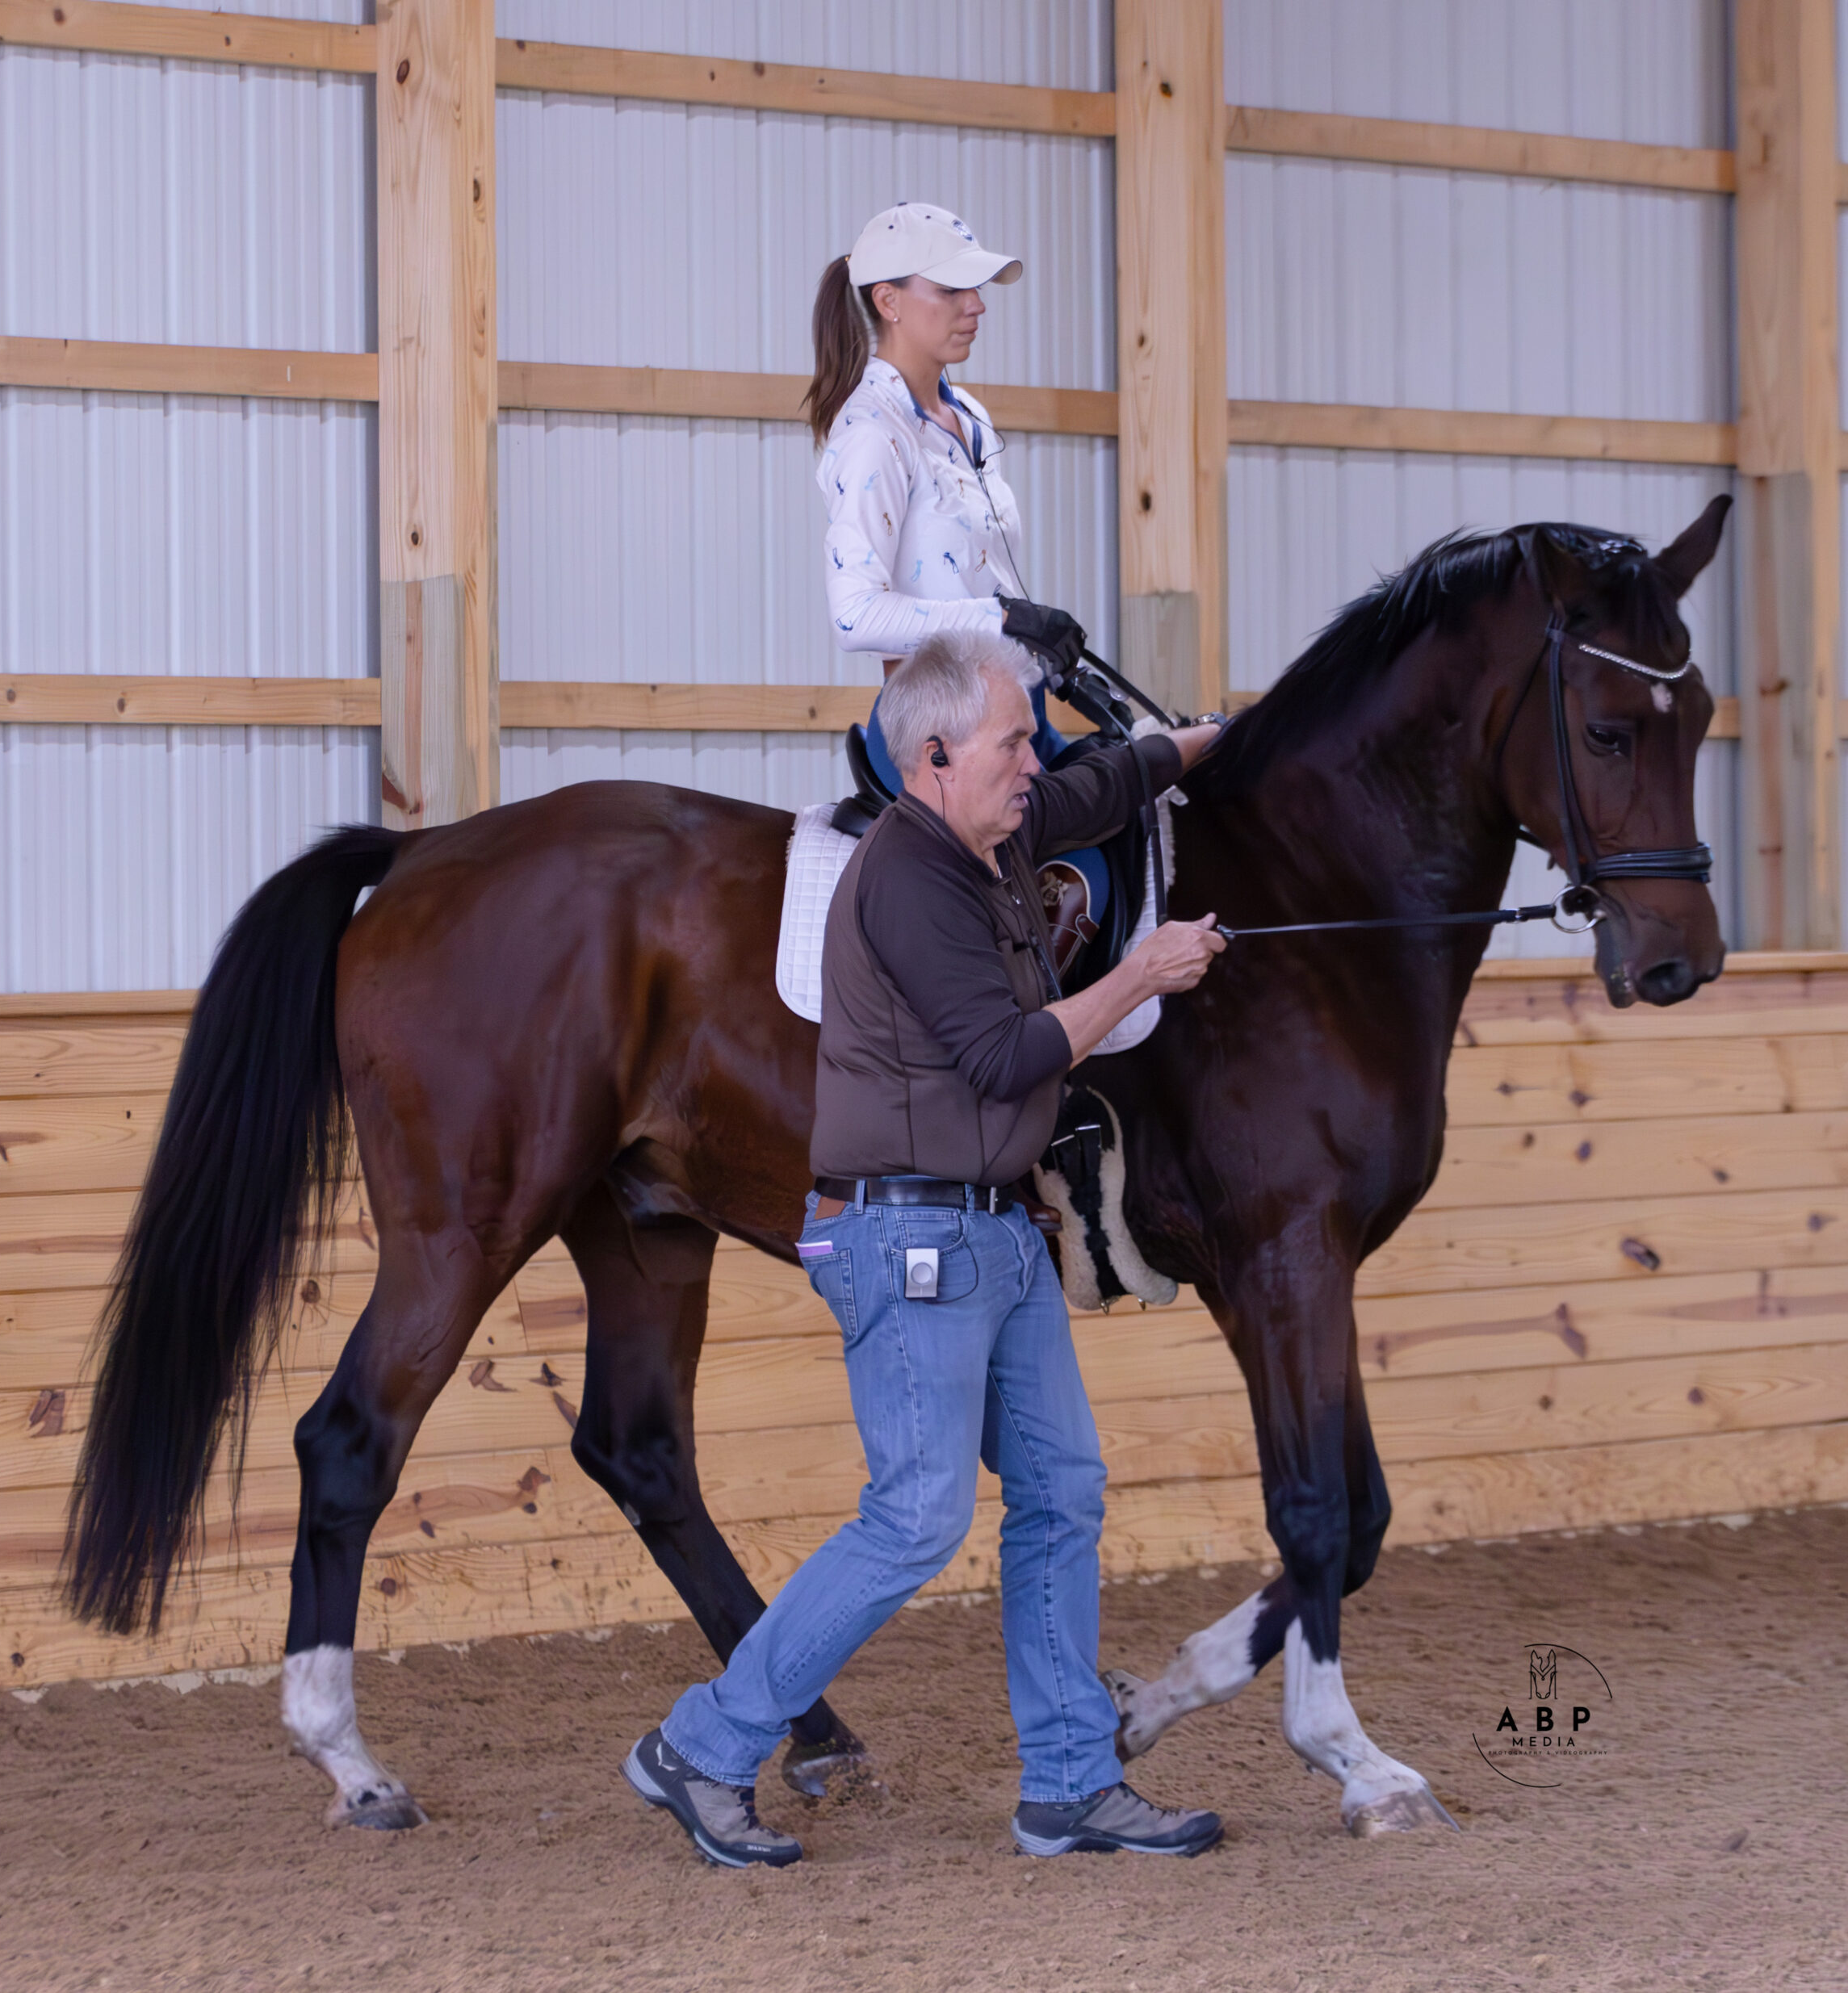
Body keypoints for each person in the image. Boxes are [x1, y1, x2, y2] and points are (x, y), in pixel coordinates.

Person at [622, 629, 1227, 1866]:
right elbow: (1007, 1056)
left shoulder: (991, 826)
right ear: (938, 755)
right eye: (1016, 742)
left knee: (1061, 1491)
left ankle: (1068, 1782)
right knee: (913, 1519)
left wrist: (1220, 739)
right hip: (911, 1240)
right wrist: (1147, 972)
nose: (1033, 762)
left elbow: (1104, 783)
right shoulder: (909, 875)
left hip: (994, 1235)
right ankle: (704, 1744)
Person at [806, 200, 1113, 971]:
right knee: (1082, 869)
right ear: (888, 301)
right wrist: (1005, 619)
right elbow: (854, 614)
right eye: (952, 290)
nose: (977, 306)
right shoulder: (874, 432)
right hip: (936, 729)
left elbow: (986, 576)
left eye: (977, 290)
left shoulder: (966, 417)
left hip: (1013, 711)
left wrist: (1047, 655)